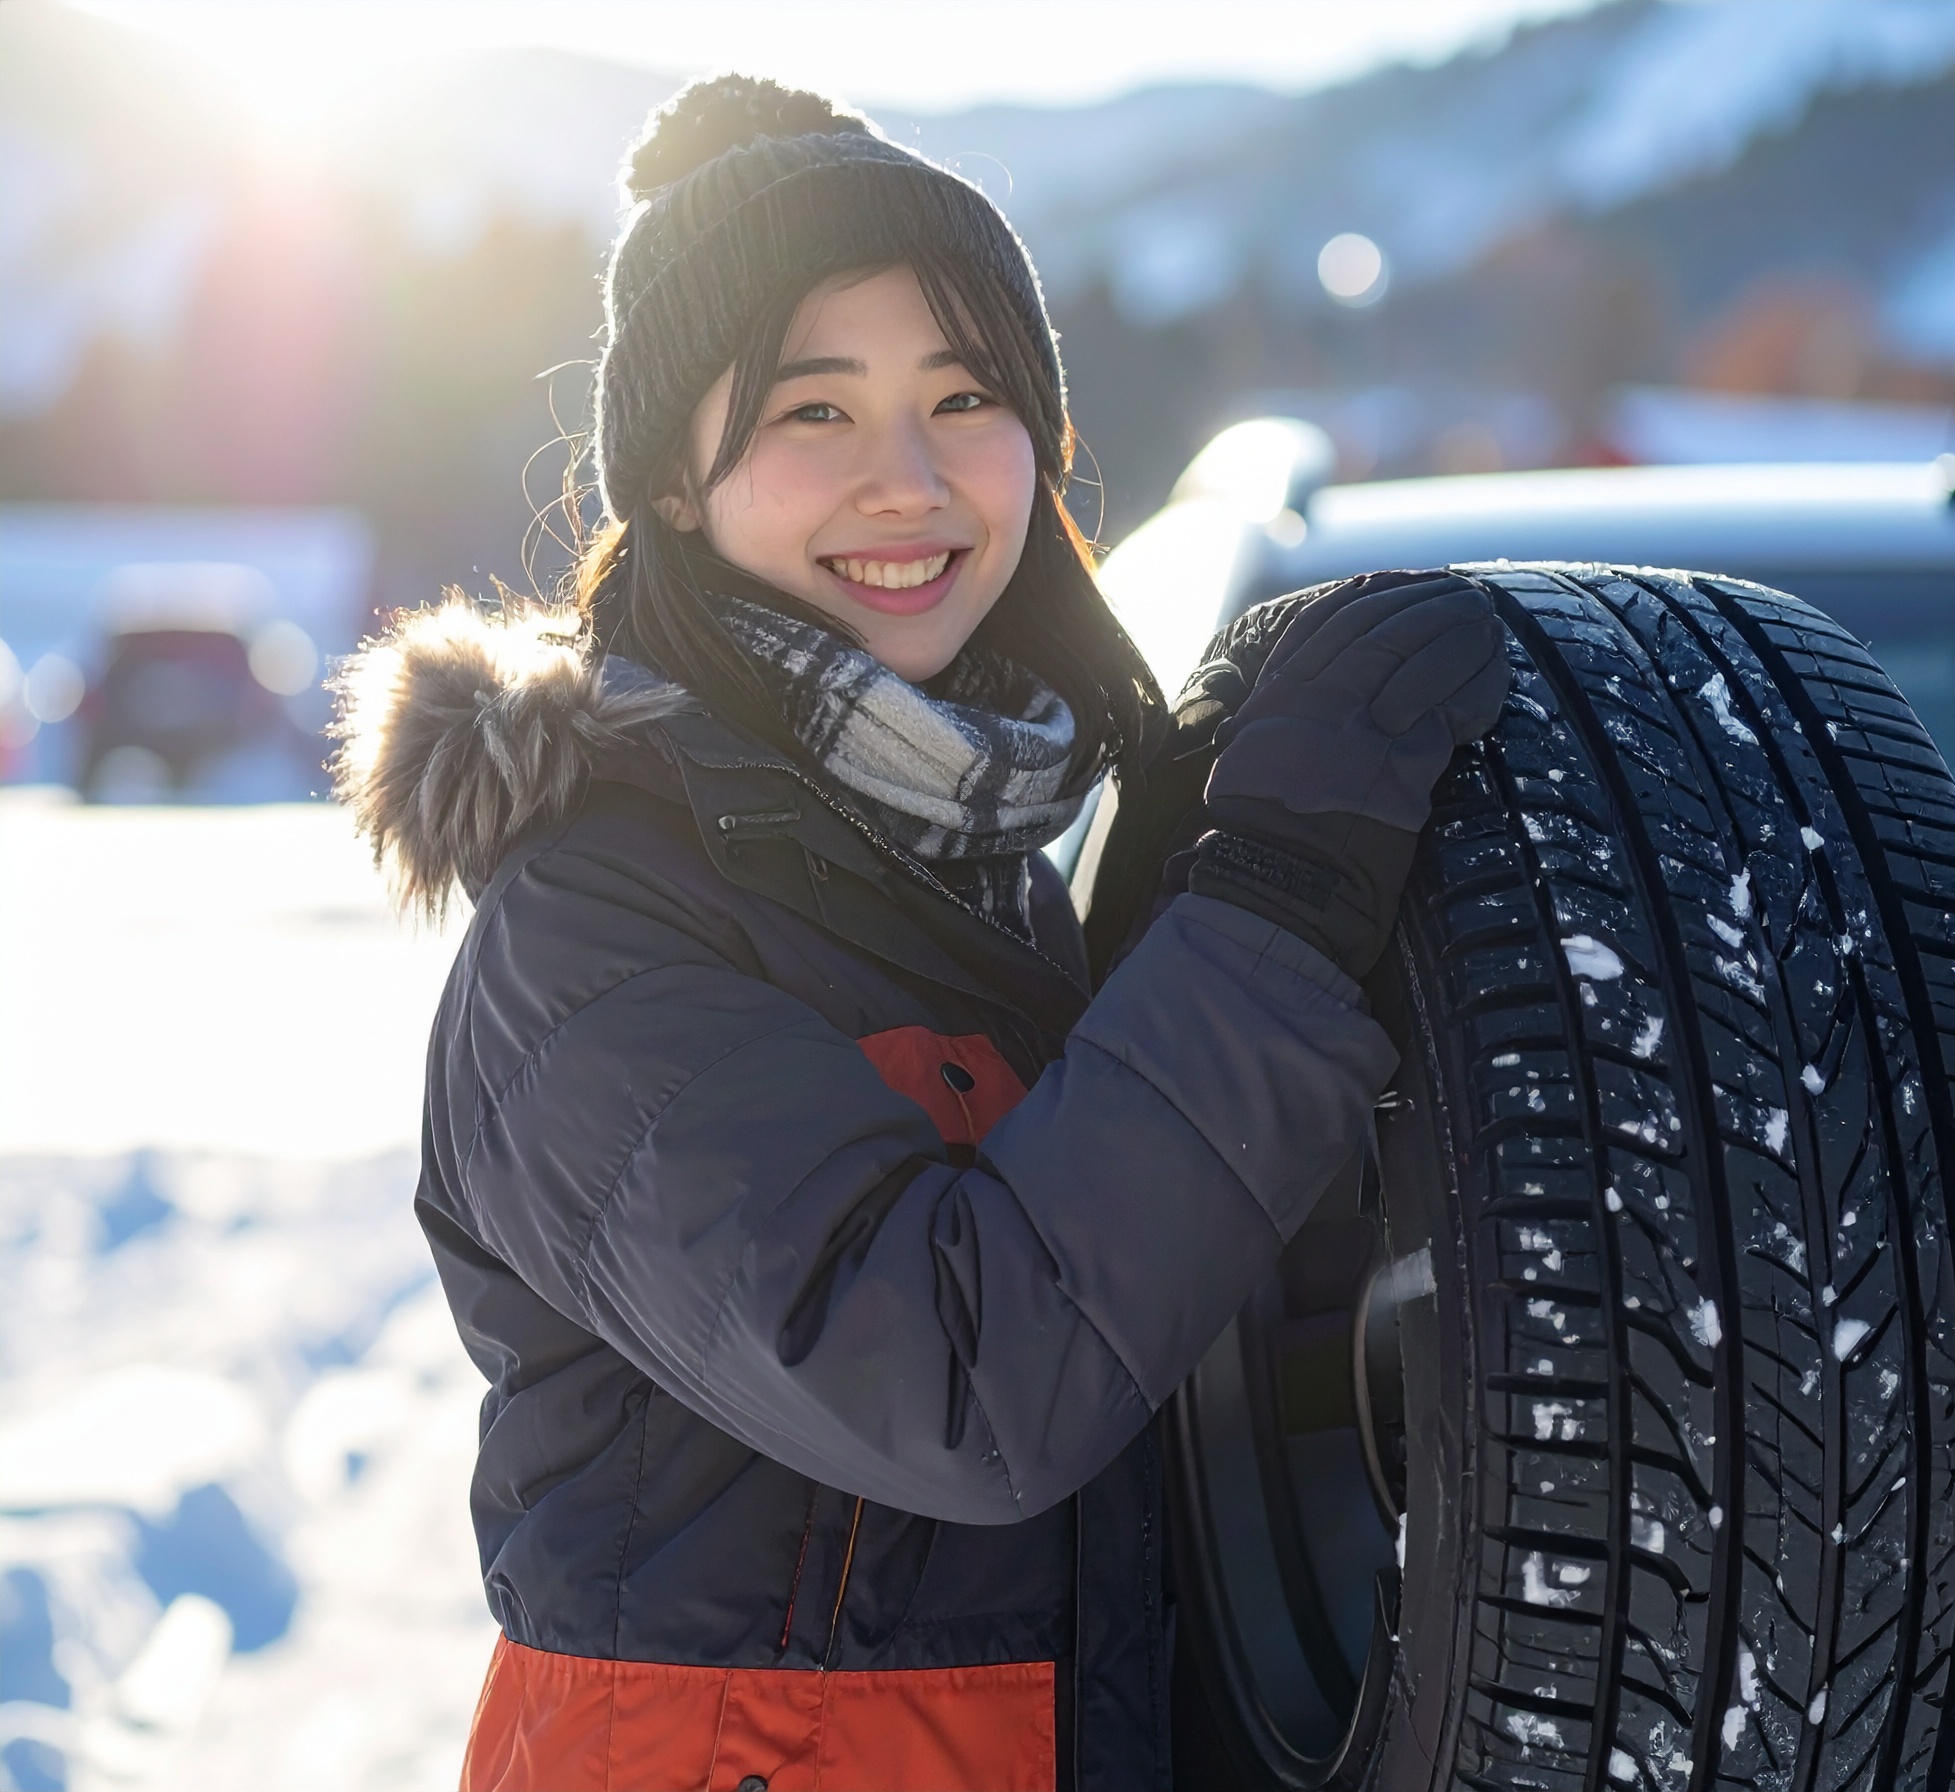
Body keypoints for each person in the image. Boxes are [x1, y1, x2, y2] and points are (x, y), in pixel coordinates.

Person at [332, 74, 1506, 1792]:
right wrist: (1279, 913)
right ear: (672, 481)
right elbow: (966, 1383)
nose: (910, 480)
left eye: (964, 396)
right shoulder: (590, 931)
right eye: (816, 412)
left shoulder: (987, 875)